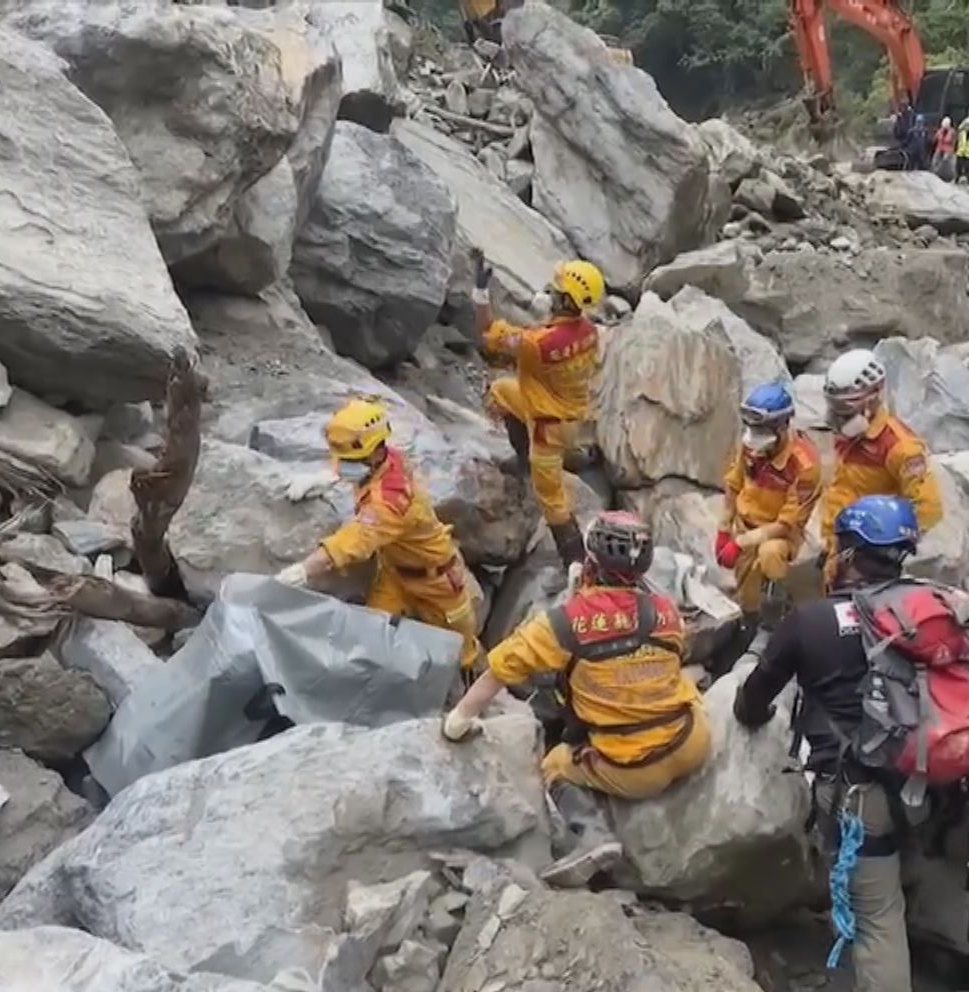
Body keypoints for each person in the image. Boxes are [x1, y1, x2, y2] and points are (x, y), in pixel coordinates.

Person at [732, 495, 927, 992]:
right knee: (893, 889)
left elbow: (749, 704)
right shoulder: (931, 607)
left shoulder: (813, 620)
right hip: (931, 782)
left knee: (878, 917)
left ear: (846, 555)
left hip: (858, 793)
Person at [441, 511, 713, 888]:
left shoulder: (564, 622)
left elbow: (500, 670)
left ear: (592, 561)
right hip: (691, 741)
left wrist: (459, 720)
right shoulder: (665, 609)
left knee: (554, 763)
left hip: (637, 769)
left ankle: (593, 835)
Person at [277, 397, 485, 676]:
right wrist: (327, 476)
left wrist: (302, 571)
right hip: (394, 573)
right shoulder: (386, 458)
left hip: (435, 582)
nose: (345, 465)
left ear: (375, 452)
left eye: (351, 461)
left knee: (459, 650)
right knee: (370, 638)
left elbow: (350, 543)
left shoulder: (390, 503)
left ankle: (471, 694)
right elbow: (353, 464)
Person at [476, 256, 606, 573]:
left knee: (552, 499)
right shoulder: (589, 332)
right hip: (568, 416)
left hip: (547, 430)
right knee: (502, 390)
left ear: (564, 299)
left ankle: (575, 562)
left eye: (556, 288)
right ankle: (541, 459)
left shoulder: (538, 345)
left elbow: (489, 331)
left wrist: (480, 293)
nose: (549, 289)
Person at [817, 349, 943, 590]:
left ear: (873, 396)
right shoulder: (849, 434)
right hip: (841, 541)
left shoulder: (901, 447)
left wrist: (886, 549)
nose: (838, 419)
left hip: (870, 554)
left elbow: (927, 507)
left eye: (845, 411)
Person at [717, 381, 823, 634]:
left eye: (762, 429)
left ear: (781, 426)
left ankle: (775, 619)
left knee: (770, 553)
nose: (754, 436)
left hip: (780, 534)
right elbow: (734, 483)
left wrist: (740, 543)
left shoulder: (804, 465)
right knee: (747, 595)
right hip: (746, 525)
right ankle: (750, 624)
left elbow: (787, 523)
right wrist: (724, 529)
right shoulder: (752, 445)